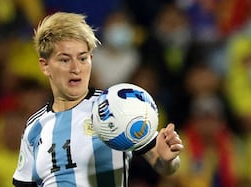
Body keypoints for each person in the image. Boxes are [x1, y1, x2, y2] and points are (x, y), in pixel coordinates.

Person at [12, 12, 183, 187]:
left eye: (83, 58)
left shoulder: (115, 108)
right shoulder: (34, 127)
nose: (76, 68)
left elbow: (163, 162)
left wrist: (168, 160)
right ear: (45, 65)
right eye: (64, 60)